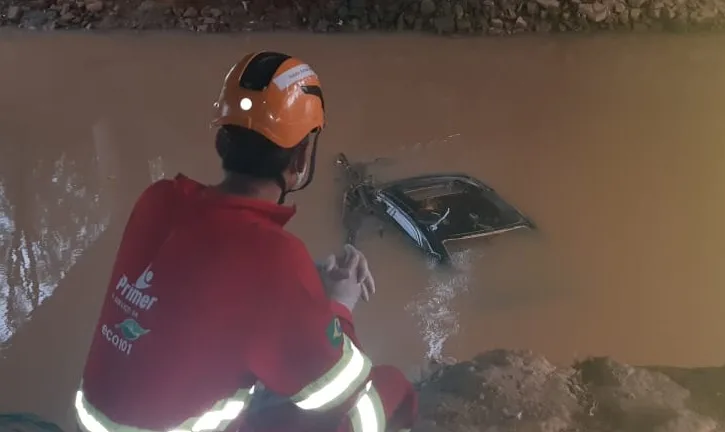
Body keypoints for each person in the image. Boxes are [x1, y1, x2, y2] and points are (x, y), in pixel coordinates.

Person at [73, 51, 418, 432]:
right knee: (386, 390)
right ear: (302, 156)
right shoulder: (272, 257)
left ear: (223, 139)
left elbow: (207, 292)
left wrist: (302, 290)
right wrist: (339, 303)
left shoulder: (158, 200)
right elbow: (337, 392)